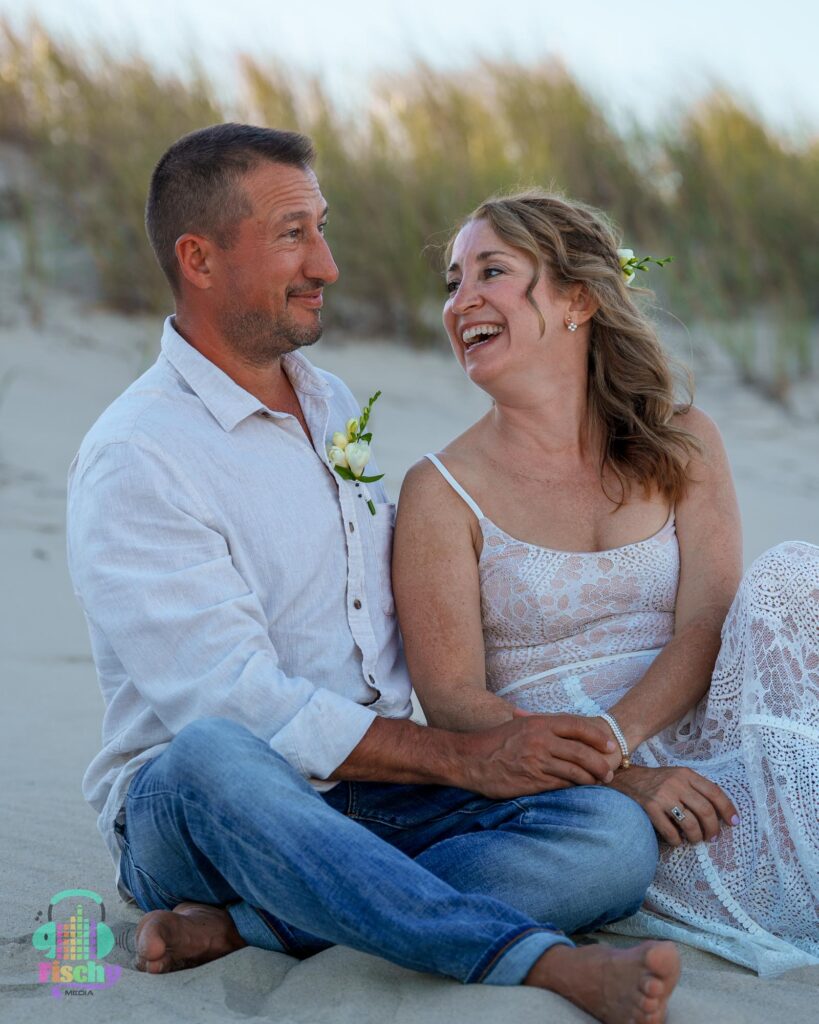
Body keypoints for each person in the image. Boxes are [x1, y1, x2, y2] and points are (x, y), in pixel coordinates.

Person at [66, 124, 681, 1024]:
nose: (326, 264)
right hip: (211, 814)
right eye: (292, 235)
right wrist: (464, 758)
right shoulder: (139, 455)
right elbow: (236, 704)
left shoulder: (331, 402)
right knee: (212, 752)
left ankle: (254, 927)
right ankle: (537, 961)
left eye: (321, 229)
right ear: (198, 258)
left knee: (609, 838)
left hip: (378, 794)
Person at [393, 188, 819, 978]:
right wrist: (621, 777)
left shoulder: (680, 440)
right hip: (568, 791)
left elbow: (708, 621)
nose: (461, 301)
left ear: (577, 300)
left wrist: (622, 738)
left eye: (491, 271)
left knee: (796, 574)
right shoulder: (438, 490)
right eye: (453, 281)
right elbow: (451, 699)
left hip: (697, 734)